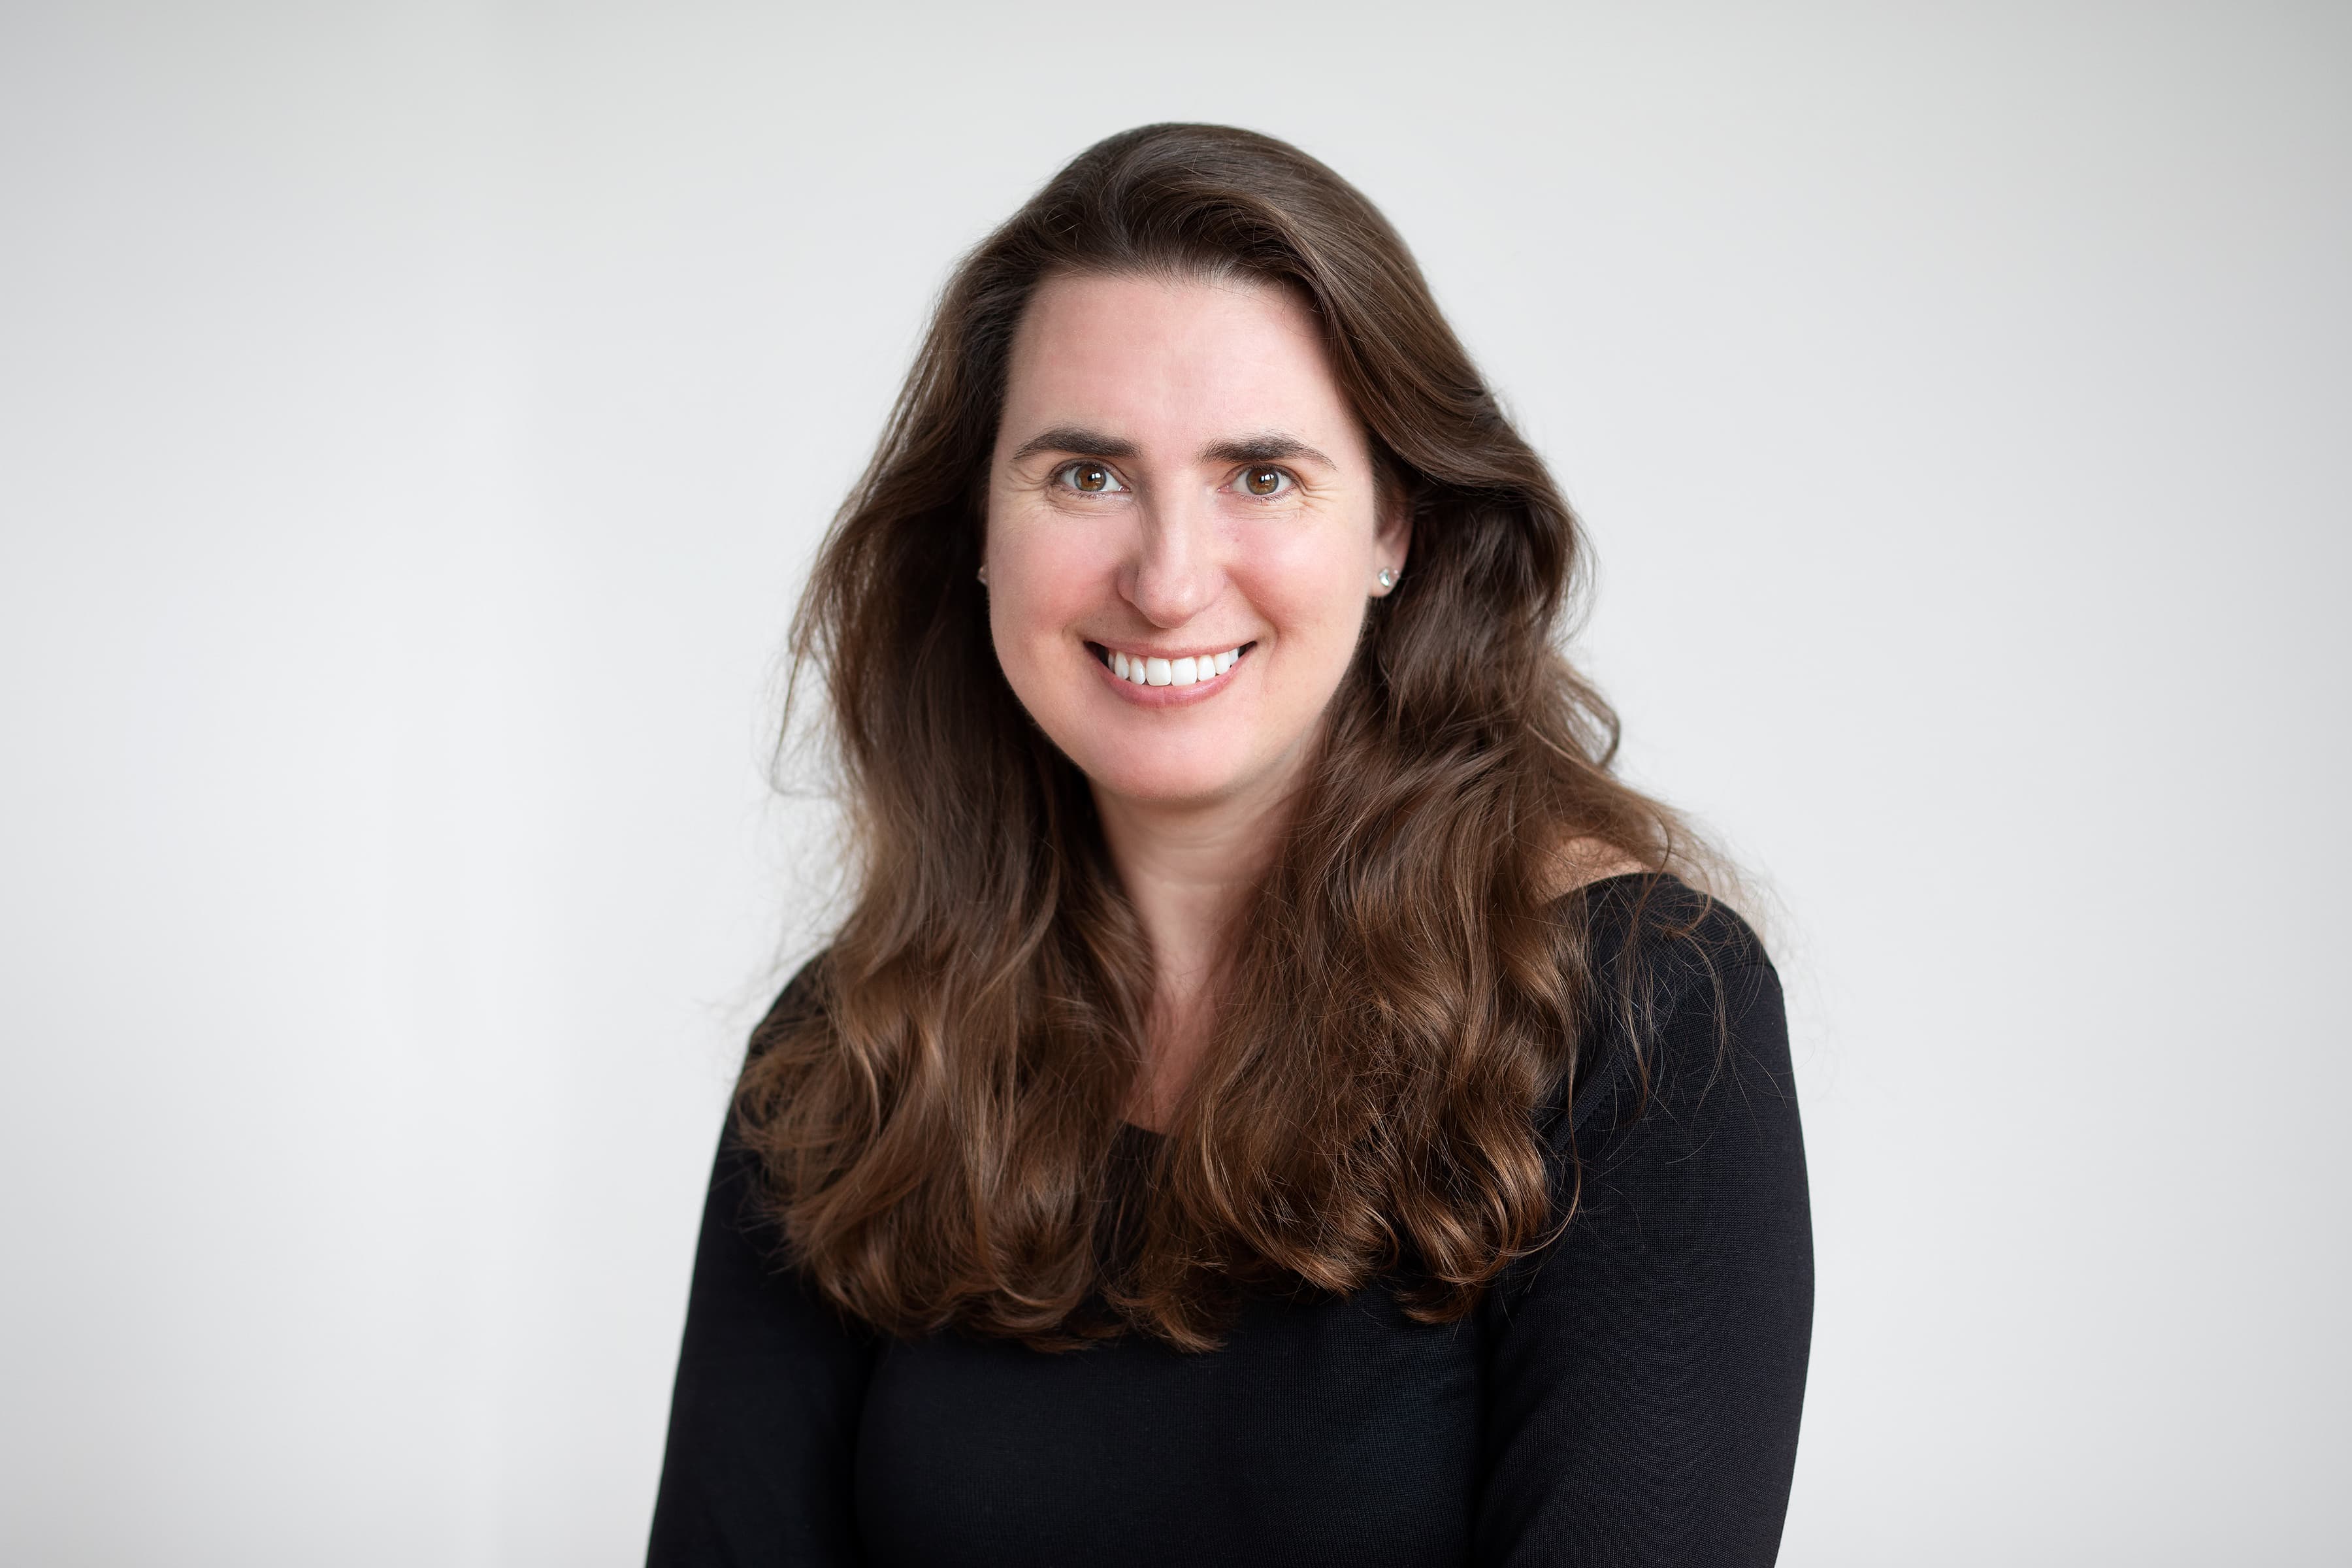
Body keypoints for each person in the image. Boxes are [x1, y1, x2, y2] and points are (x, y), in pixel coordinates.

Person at [647, 123, 1812, 1566]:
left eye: (1261, 475)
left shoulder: (1638, 1011)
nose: (1169, 578)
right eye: (1087, 475)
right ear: (978, 529)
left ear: (1396, 524)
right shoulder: (849, 1047)